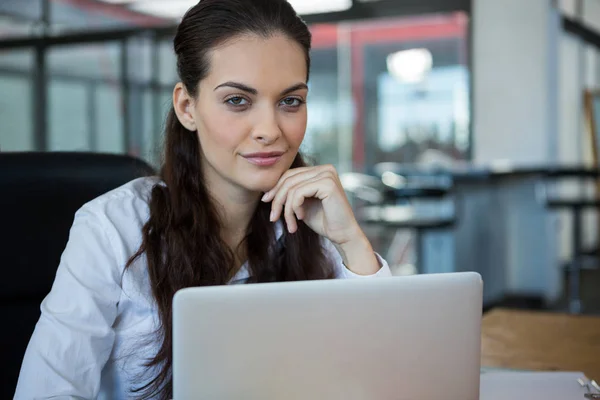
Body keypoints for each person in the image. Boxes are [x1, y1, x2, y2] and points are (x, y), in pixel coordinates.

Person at [14, 0, 391, 399]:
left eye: (290, 101)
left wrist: (352, 243)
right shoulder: (111, 228)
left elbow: (387, 376)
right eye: (237, 101)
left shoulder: (310, 220)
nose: (269, 129)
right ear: (187, 107)